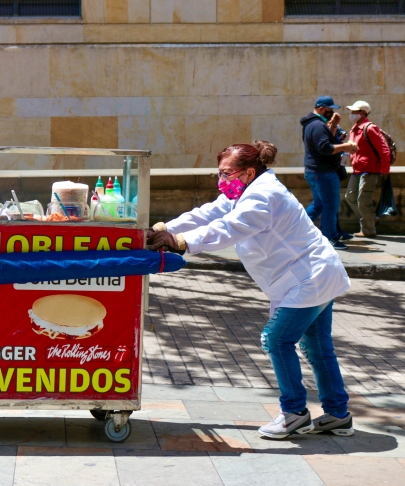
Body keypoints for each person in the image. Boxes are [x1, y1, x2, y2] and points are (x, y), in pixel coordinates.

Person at [147, 140, 354, 439]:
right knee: (318, 348)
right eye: (219, 173)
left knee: (277, 340)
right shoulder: (245, 190)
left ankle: (294, 413)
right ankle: (338, 414)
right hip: (311, 275)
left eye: (226, 173)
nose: (221, 180)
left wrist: (179, 242)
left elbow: (229, 228)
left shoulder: (262, 196)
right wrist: (162, 229)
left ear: (248, 171)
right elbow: (207, 213)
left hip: (310, 277)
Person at [300, 96, 358, 250]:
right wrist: (346, 147)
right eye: (329, 109)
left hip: (315, 172)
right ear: (321, 108)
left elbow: (323, 142)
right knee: (330, 206)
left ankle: (297, 230)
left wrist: (333, 127)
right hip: (323, 173)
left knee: (319, 205)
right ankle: (329, 238)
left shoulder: (311, 124)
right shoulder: (318, 125)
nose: (331, 112)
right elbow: (325, 148)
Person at [344, 100, 391, 238]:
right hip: (357, 169)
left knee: (363, 200)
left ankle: (368, 230)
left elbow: (384, 149)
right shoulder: (353, 129)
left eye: (355, 111)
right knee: (350, 197)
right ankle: (371, 219)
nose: (352, 114)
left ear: (363, 113)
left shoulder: (370, 128)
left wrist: (385, 169)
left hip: (370, 169)